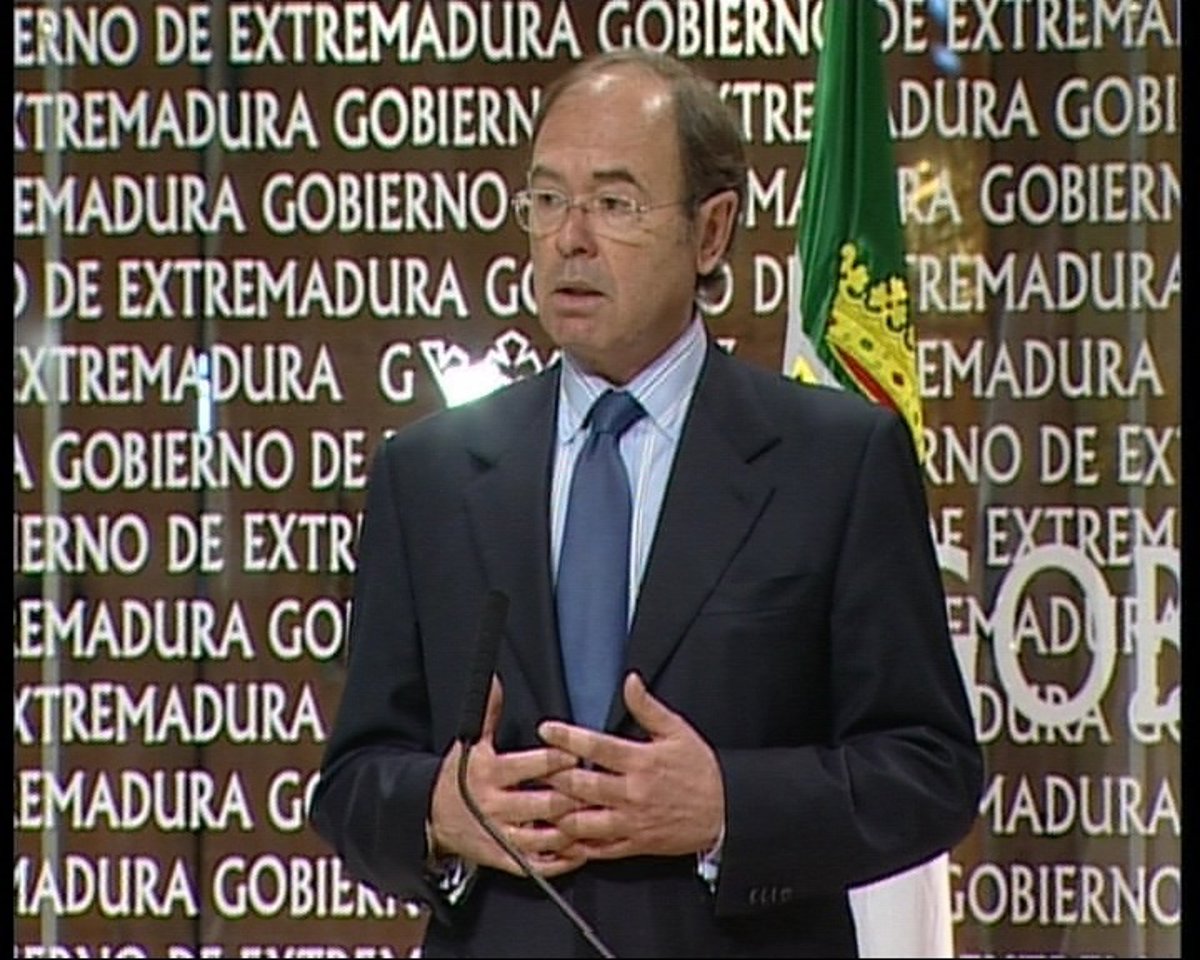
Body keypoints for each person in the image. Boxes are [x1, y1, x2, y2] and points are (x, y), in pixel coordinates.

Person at [311, 48, 983, 958]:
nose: (569, 239)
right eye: (547, 199)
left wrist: (727, 807)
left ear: (711, 233)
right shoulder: (429, 475)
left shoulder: (835, 463)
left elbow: (930, 771)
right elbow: (353, 781)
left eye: (615, 204)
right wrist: (439, 812)